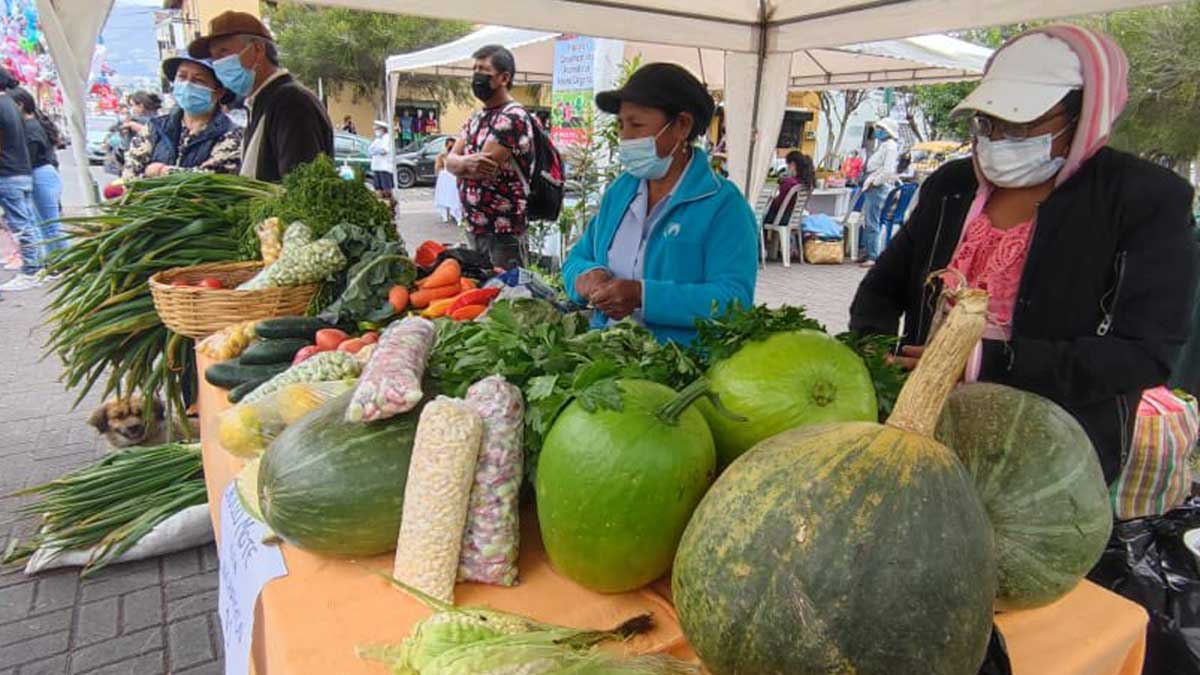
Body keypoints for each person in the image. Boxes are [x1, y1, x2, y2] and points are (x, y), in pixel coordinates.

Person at [848, 26, 1196, 488]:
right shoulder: (952, 186)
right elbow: (882, 289)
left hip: (1051, 462)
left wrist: (982, 362)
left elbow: (1144, 354)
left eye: (1021, 124)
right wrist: (874, 359)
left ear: (1085, 114)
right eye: (988, 123)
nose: (998, 137)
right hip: (922, 434)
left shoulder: (1144, 199)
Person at [561, 63, 758, 345]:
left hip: (680, 367)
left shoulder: (724, 206)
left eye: (637, 125)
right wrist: (585, 277)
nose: (625, 138)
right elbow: (577, 258)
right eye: (621, 125)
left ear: (681, 125)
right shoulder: (621, 191)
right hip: (606, 352)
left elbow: (733, 301)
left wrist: (643, 295)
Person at [188, 11, 332, 183]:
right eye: (214, 58)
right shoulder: (260, 102)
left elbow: (301, 188)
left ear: (257, 50)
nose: (217, 65)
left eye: (223, 53)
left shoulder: (291, 102)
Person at [444, 44, 537, 269]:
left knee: (505, 293)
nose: (476, 76)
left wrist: (460, 163)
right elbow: (449, 161)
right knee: (480, 290)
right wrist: (462, 162)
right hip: (476, 225)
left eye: (483, 70)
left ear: (504, 78)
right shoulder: (476, 118)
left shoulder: (513, 117)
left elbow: (480, 169)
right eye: (474, 69)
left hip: (503, 230)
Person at [122, 55, 242, 181]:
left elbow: (212, 179)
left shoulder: (231, 133)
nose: (187, 85)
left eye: (198, 80)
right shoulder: (155, 127)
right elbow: (130, 176)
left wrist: (161, 171)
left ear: (218, 92)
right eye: (182, 77)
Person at [0, 68, 46, 290]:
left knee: (21, 224)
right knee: (28, 222)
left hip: (7, 173)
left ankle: (31, 270)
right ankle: (38, 265)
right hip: (21, 171)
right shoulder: (11, 104)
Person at [9, 88, 65, 256]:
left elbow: (29, 157)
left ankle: (61, 263)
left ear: (20, 105)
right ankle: (52, 262)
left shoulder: (31, 128)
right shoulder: (31, 125)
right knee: (43, 224)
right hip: (42, 175)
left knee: (50, 225)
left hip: (40, 175)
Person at [858, 119, 900, 267]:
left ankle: (872, 255)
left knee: (872, 221)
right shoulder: (883, 145)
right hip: (873, 184)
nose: (877, 131)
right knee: (868, 220)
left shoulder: (890, 147)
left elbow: (887, 171)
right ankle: (867, 251)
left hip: (877, 187)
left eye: (880, 129)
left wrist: (874, 182)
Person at [764, 150, 815, 224]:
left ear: (792, 164)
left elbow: (778, 204)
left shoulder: (789, 183)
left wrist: (771, 200)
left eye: (787, 164)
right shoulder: (804, 183)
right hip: (794, 219)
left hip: (781, 219)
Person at [433, 136, 462, 224]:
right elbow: (437, 168)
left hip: (454, 178)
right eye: (449, 147)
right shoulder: (441, 156)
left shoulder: (458, 155)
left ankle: (456, 214)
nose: (451, 149)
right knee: (445, 196)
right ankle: (447, 214)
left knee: (455, 196)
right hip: (445, 180)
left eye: (453, 146)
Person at [368, 121, 394, 193]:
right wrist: (374, 151)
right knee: (378, 188)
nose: (375, 130)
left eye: (377, 128)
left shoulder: (387, 137)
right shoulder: (378, 139)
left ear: (382, 129)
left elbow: (384, 150)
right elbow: (370, 150)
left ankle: (389, 201)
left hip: (384, 167)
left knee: (386, 188)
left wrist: (376, 151)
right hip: (376, 166)